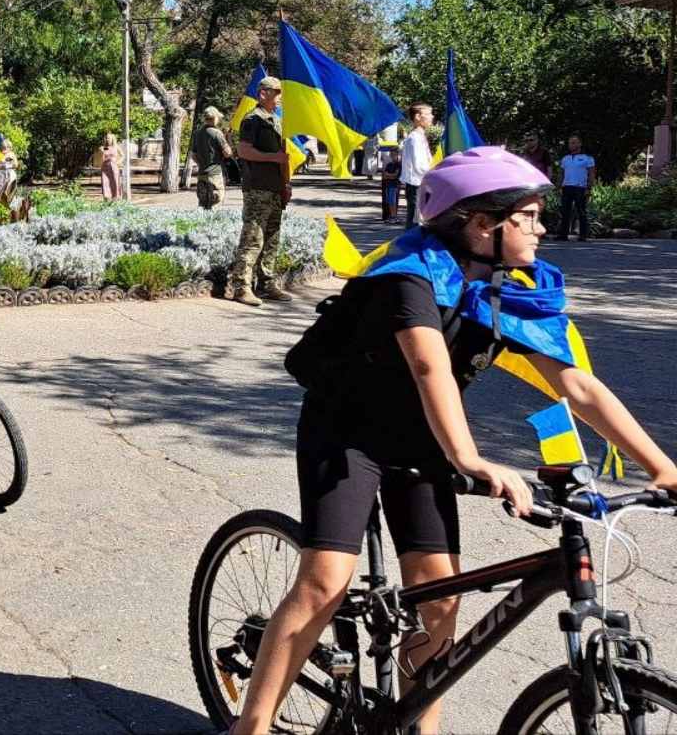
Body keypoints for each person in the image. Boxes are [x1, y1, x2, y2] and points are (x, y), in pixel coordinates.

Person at [229, 146, 677, 735]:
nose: (542, 229)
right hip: (349, 434)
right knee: (325, 582)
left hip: (422, 442)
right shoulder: (407, 276)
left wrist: (662, 468)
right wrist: (470, 459)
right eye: (530, 217)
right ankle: (251, 726)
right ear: (484, 225)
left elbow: (577, 385)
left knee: (438, 601)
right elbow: (428, 368)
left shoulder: (505, 286)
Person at [227, 76, 292, 307]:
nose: (280, 97)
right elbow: (243, 151)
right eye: (276, 92)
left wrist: (286, 184)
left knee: (272, 238)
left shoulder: (277, 120)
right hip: (257, 188)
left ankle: (266, 283)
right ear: (263, 93)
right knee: (253, 238)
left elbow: (284, 157)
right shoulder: (253, 119)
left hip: (274, 187)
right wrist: (272, 157)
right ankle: (241, 287)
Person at [399, 103, 435, 229]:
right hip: (417, 186)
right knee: (416, 223)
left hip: (420, 185)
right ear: (418, 117)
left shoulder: (420, 137)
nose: (432, 117)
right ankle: (409, 247)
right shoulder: (415, 138)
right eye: (429, 114)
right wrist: (435, 173)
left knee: (418, 221)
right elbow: (420, 166)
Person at [191, 107, 233, 210]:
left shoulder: (197, 133)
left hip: (201, 175)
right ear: (214, 118)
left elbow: (193, 155)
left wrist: (202, 164)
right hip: (215, 175)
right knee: (215, 203)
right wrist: (229, 138)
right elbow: (228, 153)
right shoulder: (217, 133)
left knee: (203, 205)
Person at [556, 135, 596, 241]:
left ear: (580, 144)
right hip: (567, 187)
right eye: (570, 143)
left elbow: (591, 174)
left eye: (574, 142)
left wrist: (589, 188)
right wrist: (558, 186)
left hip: (580, 187)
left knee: (581, 212)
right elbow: (561, 173)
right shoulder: (565, 159)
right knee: (565, 211)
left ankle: (583, 235)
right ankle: (563, 235)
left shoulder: (588, 158)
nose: (571, 145)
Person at [379, 142, 403, 222]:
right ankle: (391, 216)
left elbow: (395, 175)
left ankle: (394, 216)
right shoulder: (389, 164)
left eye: (394, 154)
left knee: (393, 201)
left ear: (397, 154)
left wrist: (389, 175)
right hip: (388, 184)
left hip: (394, 185)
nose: (392, 156)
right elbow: (384, 174)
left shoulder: (398, 164)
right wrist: (390, 175)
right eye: (391, 154)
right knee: (389, 201)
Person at [98, 133, 123, 200]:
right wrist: (102, 152)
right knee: (105, 182)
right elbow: (102, 158)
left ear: (112, 139)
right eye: (106, 138)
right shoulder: (104, 147)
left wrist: (118, 162)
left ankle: (116, 198)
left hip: (114, 167)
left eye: (108, 138)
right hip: (105, 167)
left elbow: (123, 156)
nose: (107, 139)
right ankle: (107, 199)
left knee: (115, 182)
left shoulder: (116, 147)